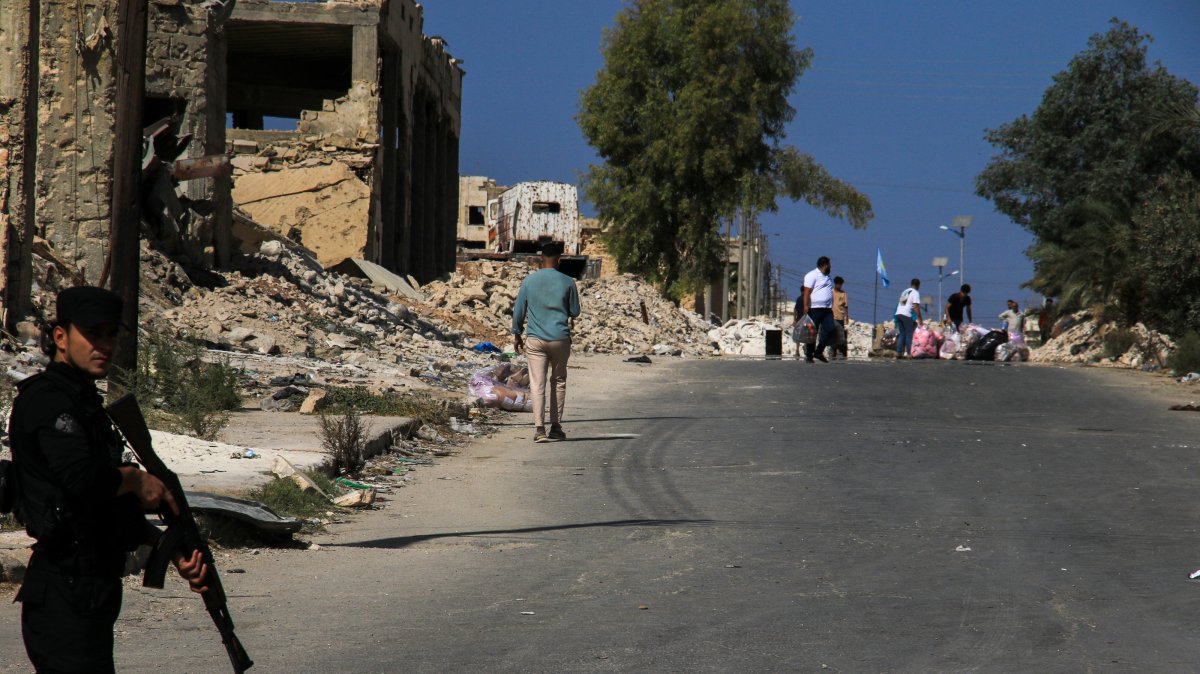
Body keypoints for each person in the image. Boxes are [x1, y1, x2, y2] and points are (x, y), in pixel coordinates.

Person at [9, 286, 207, 673]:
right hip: (63, 589)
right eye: (93, 333)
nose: (104, 345)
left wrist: (169, 549)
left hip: (91, 590)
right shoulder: (49, 400)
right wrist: (134, 479)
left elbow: (101, 509)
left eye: (111, 334)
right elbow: (82, 481)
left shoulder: (84, 403)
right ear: (61, 337)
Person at [512, 242, 582, 443]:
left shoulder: (529, 281)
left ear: (541, 259)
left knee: (537, 382)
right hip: (560, 338)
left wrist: (516, 333)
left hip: (535, 339)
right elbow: (575, 311)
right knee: (558, 381)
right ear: (559, 260)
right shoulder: (568, 282)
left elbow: (519, 311)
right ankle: (556, 427)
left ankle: (539, 428)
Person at [800, 256, 836, 363]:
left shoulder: (828, 277)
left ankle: (819, 352)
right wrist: (806, 306)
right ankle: (809, 356)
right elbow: (807, 291)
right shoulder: (812, 275)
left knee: (830, 329)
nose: (831, 266)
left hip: (827, 310)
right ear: (825, 265)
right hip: (815, 309)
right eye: (829, 264)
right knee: (812, 333)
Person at [894, 278, 923, 358]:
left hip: (898, 313)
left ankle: (899, 353)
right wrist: (920, 319)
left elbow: (902, 304)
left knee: (902, 334)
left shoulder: (905, 291)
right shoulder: (915, 293)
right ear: (918, 285)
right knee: (909, 334)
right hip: (906, 315)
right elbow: (916, 306)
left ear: (911, 284)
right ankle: (909, 353)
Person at [831, 276, 849, 360]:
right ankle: (833, 351)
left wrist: (847, 317)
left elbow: (845, 306)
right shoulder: (831, 292)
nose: (839, 286)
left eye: (841, 285)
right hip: (833, 317)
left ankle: (841, 352)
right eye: (838, 284)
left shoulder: (843, 293)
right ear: (835, 284)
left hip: (841, 318)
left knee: (841, 336)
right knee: (833, 335)